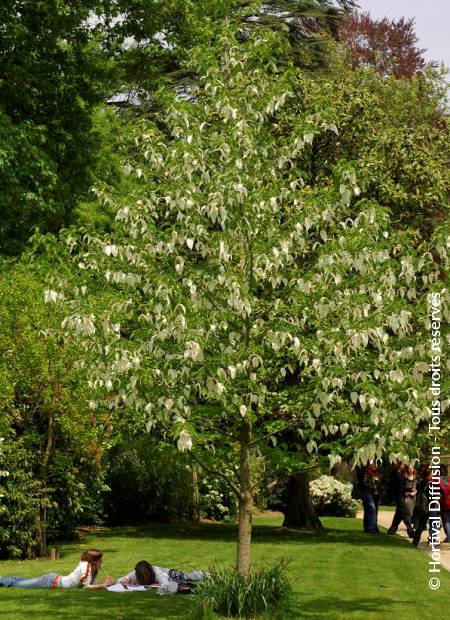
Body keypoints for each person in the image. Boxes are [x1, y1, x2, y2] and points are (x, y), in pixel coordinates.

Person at [0, 548, 114, 589]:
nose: (102, 562)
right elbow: (86, 587)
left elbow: (88, 584)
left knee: (23, 581)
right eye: (100, 560)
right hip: (51, 582)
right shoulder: (86, 567)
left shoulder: (94, 569)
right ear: (93, 562)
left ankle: (2, 578)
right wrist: (103, 585)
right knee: (19, 585)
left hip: (53, 580)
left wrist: (106, 584)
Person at [118, 560, 205, 593]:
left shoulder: (158, 573)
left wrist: (155, 585)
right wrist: (124, 581)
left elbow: (165, 584)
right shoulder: (134, 574)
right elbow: (121, 579)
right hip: (170, 580)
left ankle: (206, 575)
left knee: (186, 578)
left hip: (172, 575)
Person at [387, 462, 415, 538]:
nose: (404, 465)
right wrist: (409, 489)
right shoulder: (396, 474)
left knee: (398, 515)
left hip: (400, 496)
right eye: (402, 464)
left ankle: (392, 529)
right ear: (399, 465)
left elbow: (401, 486)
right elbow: (398, 487)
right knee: (406, 514)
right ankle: (411, 532)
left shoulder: (399, 474)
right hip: (399, 497)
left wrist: (409, 489)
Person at [356, 463, 381, 533]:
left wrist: (377, 484)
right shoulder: (366, 473)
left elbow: (379, 482)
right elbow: (364, 483)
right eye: (373, 465)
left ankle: (370, 527)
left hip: (375, 494)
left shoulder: (376, 474)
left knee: (371, 510)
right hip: (367, 492)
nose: (374, 466)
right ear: (369, 466)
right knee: (371, 509)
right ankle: (371, 528)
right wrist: (373, 486)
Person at [439, 464, 450, 543]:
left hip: (444, 503)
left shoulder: (438, 480)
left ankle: (449, 537)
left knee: (446, 521)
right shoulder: (449, 479)